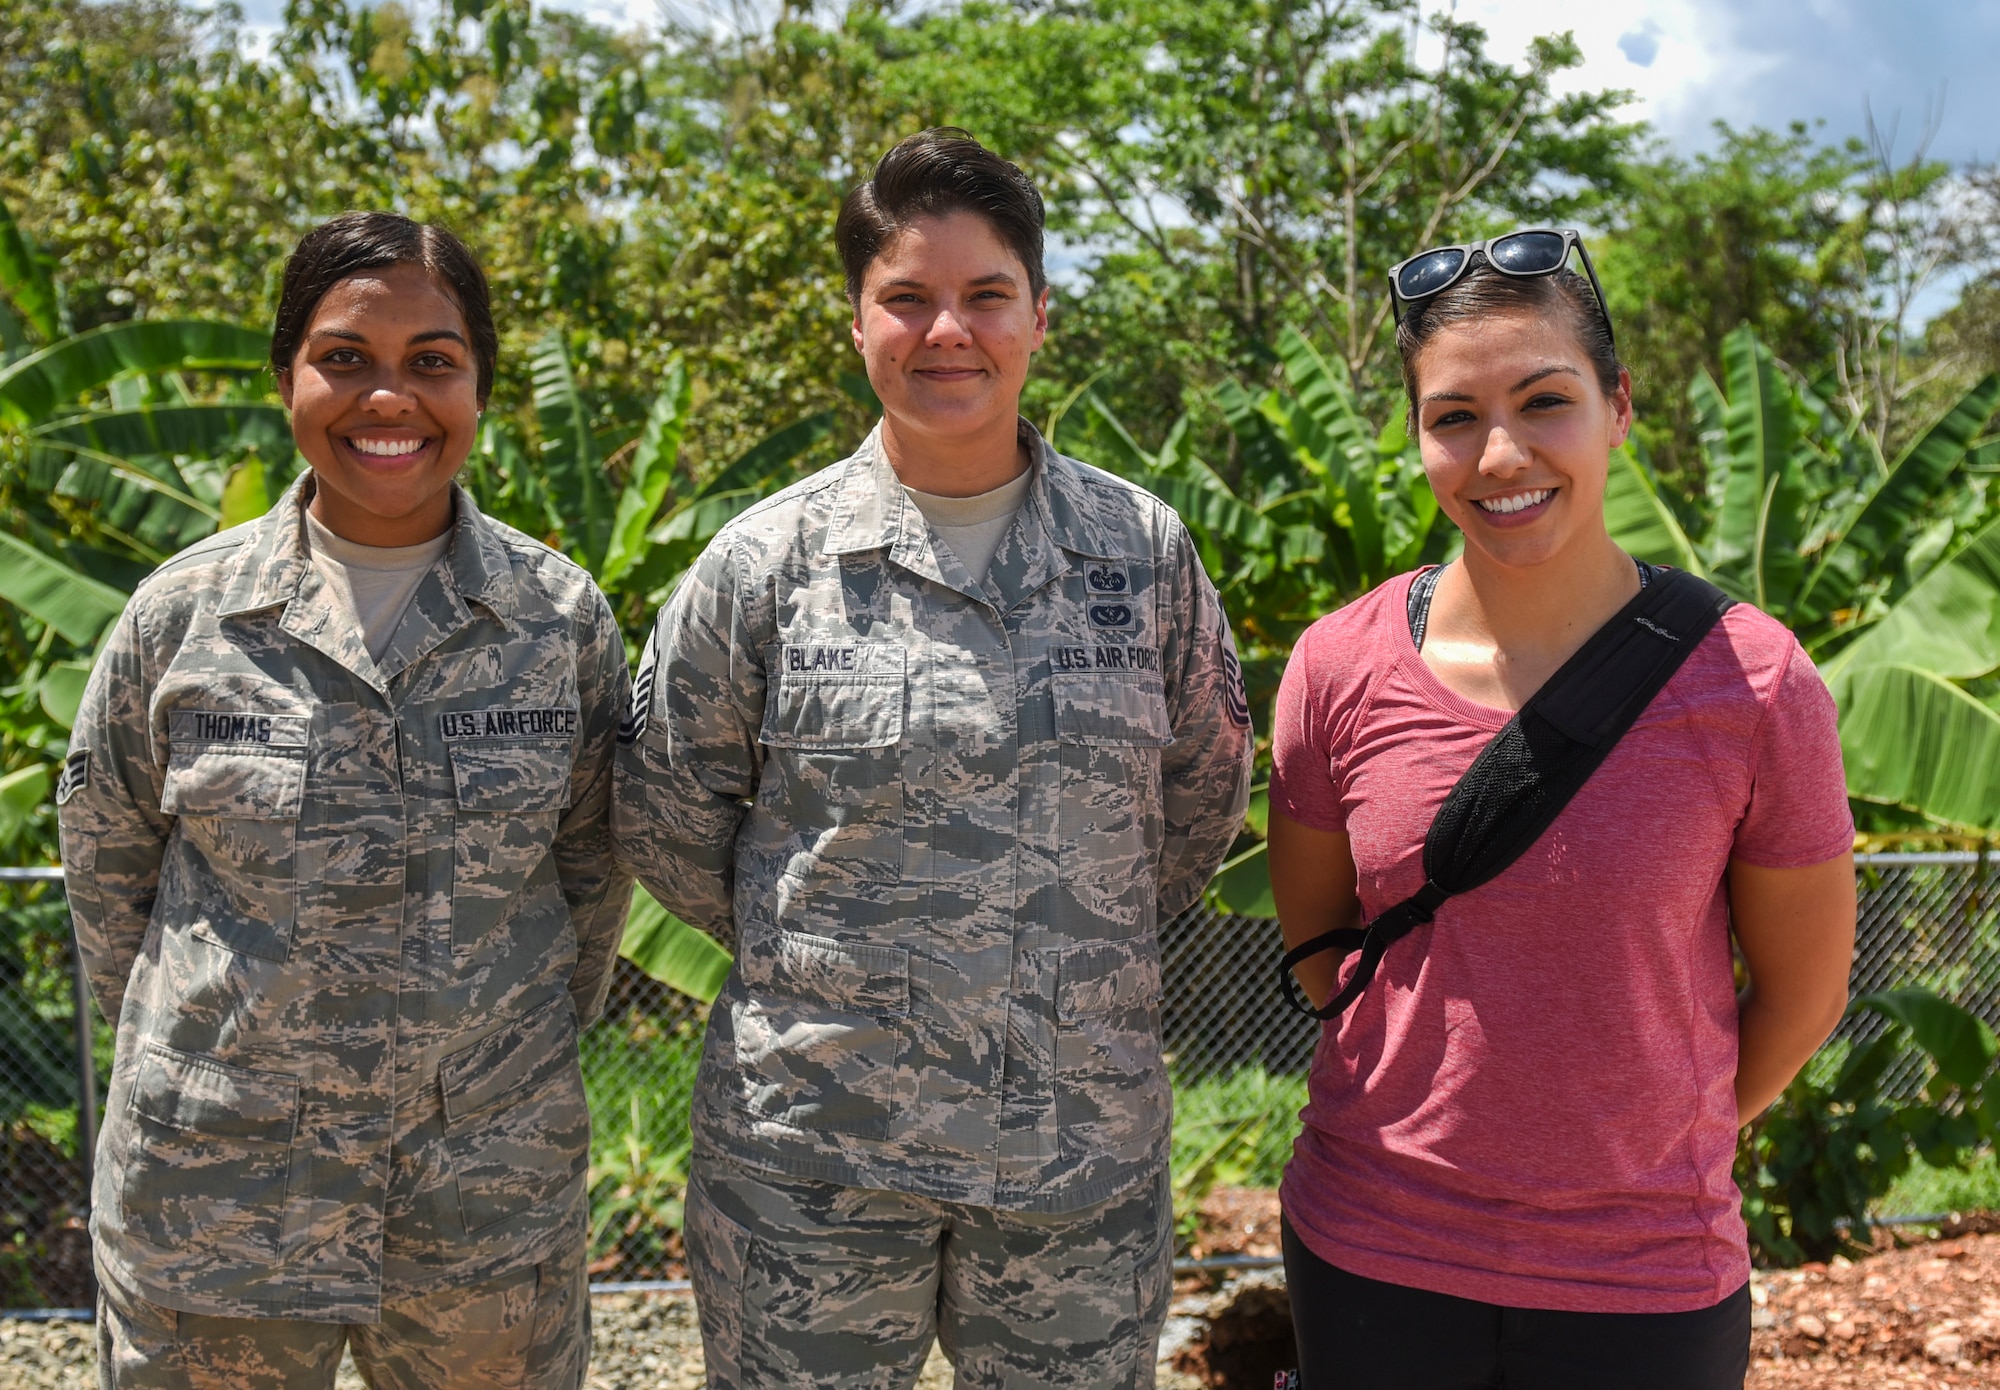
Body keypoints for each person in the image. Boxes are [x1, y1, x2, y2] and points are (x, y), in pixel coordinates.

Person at [613, 128, 1253, 1389]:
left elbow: (1191, 810)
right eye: (906, 298)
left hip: (1078, 1165)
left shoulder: (1142, 551)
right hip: (813, 1168)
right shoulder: (762, 565)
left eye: (984, 295)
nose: (945, 329)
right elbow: (671, 814)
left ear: (1038, 314)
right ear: (857, 322)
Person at [1265, 230, 1857, 1390]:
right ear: (1415, 434)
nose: (1499, 454)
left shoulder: (1750, 680)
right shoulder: (1336, 666)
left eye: (1544, 401)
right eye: (1451, 417)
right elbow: (1318, 949)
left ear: (1616, 406)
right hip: (1372, 1245)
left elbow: (1803, 991)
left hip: (1642, 1271)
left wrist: (1650, 1139)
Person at [58, 212, 632, 1388]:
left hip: (480, 1207)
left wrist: (474, 1064)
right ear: (286, 378)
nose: (390, 399)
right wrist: (232, 1056)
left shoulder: (556, 621)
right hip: (216, 1204)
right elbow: (110, 876)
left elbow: (588, 880)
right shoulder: (181, 619)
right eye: (345, 359)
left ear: (478, 383)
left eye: (432, 360)